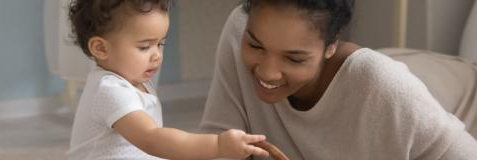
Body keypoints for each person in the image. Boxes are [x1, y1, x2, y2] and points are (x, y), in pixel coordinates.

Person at [200, 0, 477, 159]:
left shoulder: (384, 87)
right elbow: (216, 141)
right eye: (256, 46)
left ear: (331, 45)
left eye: (294, 58)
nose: (267, 73)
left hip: (460, 96)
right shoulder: (239, 28)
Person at [66, 0, 269, 159]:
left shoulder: (137, 83)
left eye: (160, 44)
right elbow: (151, 139)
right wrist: (217, 145)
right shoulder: (109, 89)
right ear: (101, 48)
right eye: (144, 47)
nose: (156, 55)